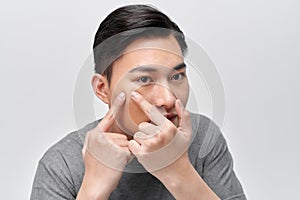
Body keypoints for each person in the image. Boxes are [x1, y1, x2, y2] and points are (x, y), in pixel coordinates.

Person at [30, 4, 246, 200]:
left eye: (176, 76)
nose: (168, 99)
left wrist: (178, 171)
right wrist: (93, 190)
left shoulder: (203, 139)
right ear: (102, 89)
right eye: (144, 79)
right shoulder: (62, 164)